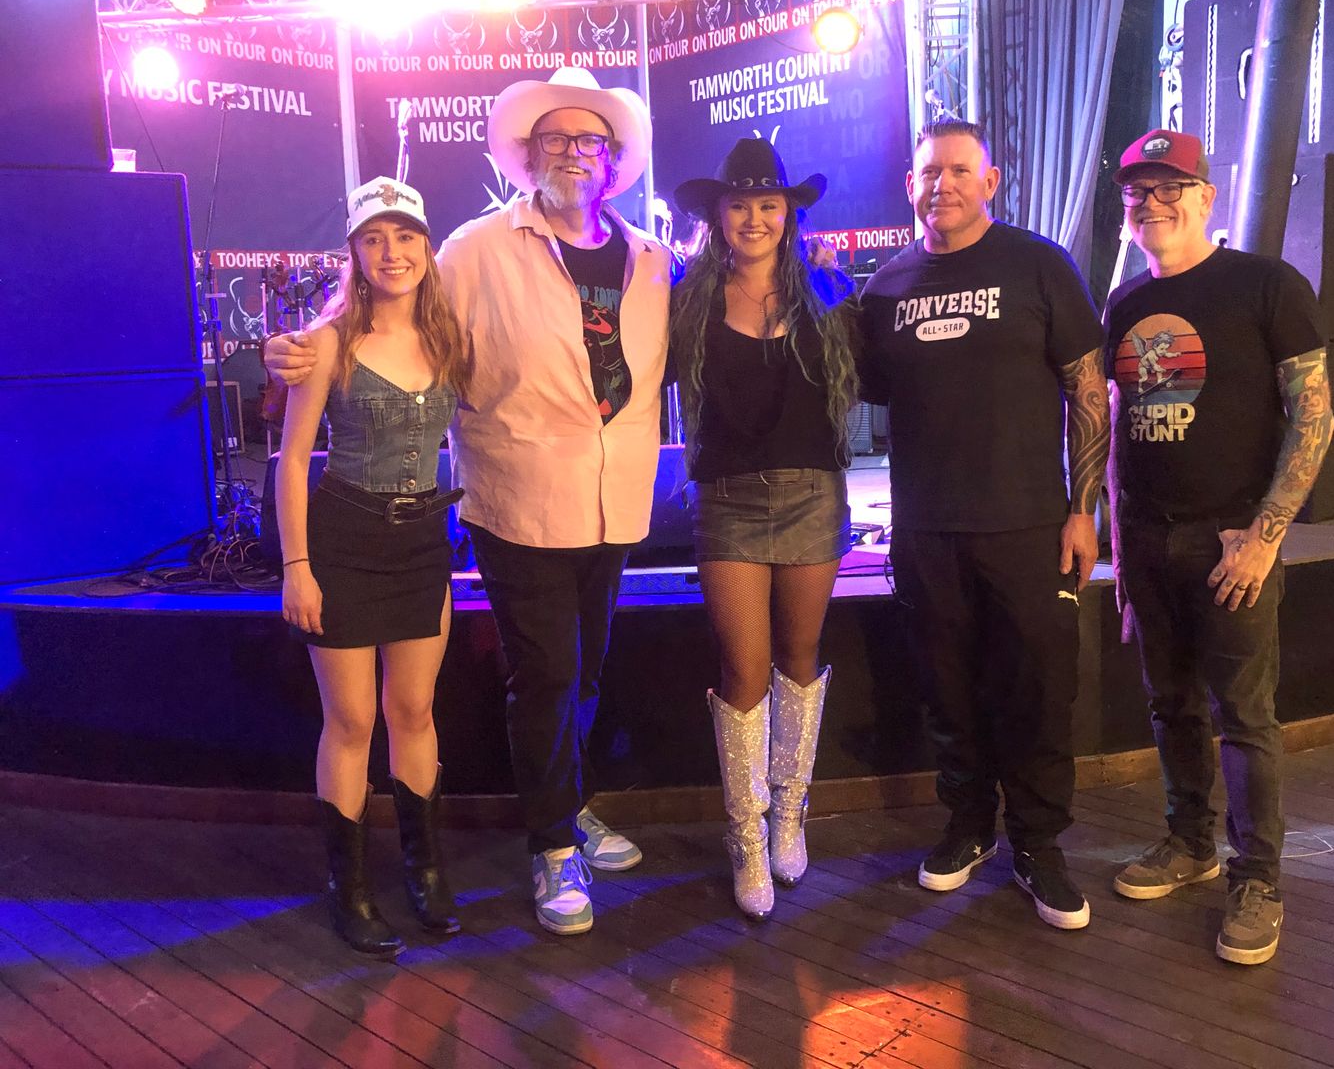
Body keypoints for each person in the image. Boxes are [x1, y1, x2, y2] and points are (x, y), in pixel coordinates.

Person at [267, 68, 674, 937]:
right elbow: (386, 314)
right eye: (556, 139)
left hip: (614, 503)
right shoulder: (475, 249)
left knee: (583, 671)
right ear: (529, 154)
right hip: (516, 501)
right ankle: (550, 846)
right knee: (544, 673)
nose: (573, 153)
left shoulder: (651, 259)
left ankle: (561, 809)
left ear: (613, 159)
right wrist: (292, 352)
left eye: (589, 140)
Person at [857, 119, 1110, 931]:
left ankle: (1039, 844)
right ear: (911, 185)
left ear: (990, 182)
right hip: (925, 530)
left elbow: (1088, 391)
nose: (944, 185)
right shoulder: (885, 288)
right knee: (947, 690)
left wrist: (1084, 510)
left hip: (1029, 525)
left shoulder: (1039, 264)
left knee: (1036, 692)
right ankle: (968, 825)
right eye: (930, 172)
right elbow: (872, 395)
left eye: (960, 171)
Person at [1103, 128, 1334, 966]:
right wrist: (1122, 554)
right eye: (1139, 191)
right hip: (1148, 539)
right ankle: (1190, 843)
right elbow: (1119, 431)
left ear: (1207, 196)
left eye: (1171, 188)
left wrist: (1265, 537)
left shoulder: (1266, 285)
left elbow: (1316, 418)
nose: (1152, 204)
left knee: (1244, 718)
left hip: (1232, 539)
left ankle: (1258, 879)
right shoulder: (1124, 304)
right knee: (1170, 705)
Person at [276, 176, 468, 958]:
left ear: (427, 246)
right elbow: (293, 461)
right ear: (354, 252)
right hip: (344, 542)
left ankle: (425, 872)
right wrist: (296, 565)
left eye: (405, 236)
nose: (392, 253)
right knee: (352, 720)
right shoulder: (327, 342)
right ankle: (349, 889)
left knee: (414, 711)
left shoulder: (452, 338)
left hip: (422, 544)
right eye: (374, 239)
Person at [670, 138, 857, 920]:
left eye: (768, 204)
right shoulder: (687, 298)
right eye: (739, 205)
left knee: (799, 661)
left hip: (814, 494)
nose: (754, 218)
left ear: (789, 213)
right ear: (718, 215)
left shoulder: (830, 291)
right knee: (744, 669)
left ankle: (789, 815)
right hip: (729, 501)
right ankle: (745, 834)